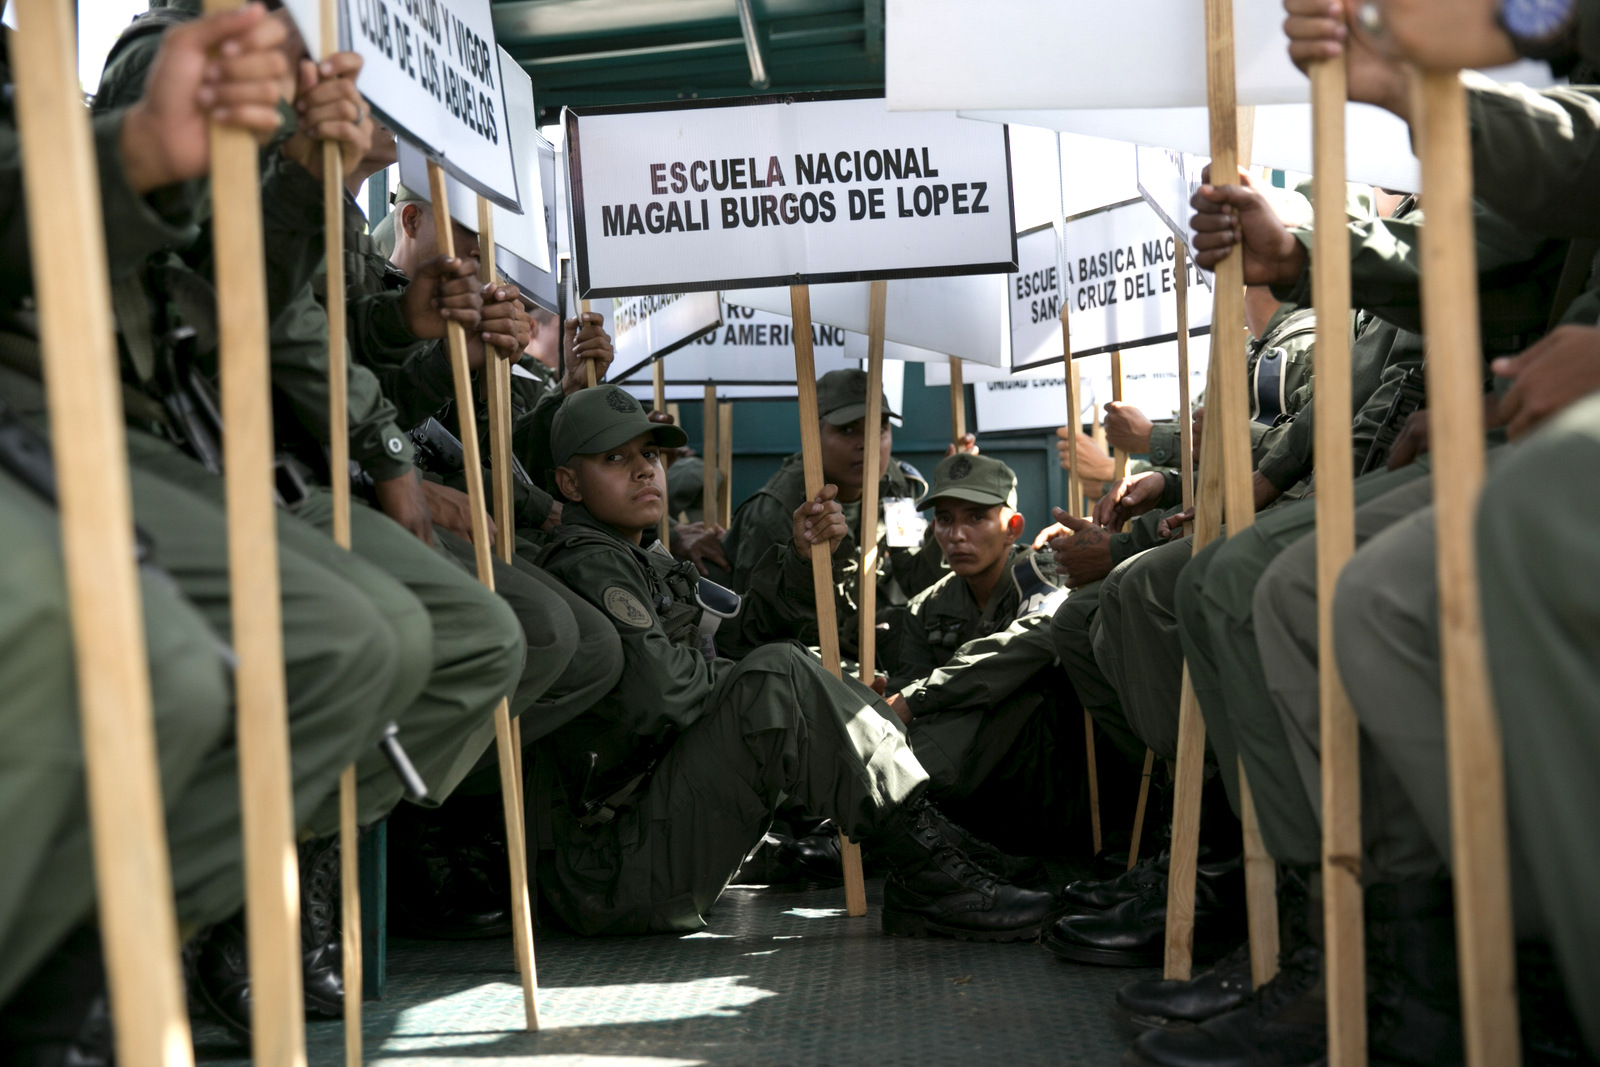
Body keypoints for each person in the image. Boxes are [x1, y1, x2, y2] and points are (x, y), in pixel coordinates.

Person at [523, 384, 1055, 941]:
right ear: (568, 483)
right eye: (615, 459)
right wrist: (768, 684)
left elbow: (734, 637)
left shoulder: (641, 561)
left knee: (783, 668)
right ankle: (928, 866)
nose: (643, 472)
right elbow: (668, 691)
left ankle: (929, 850)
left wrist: (801, 562)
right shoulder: (589, 566)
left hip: (643, 841)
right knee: (778, 674)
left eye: (650, 455)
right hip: (608, 870)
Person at [718, 368, 946, 669]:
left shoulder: (893, 483)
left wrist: (949, 511)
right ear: (812, 434)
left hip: (863, 635)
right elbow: (750, 631)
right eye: (848, 430)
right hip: (798, 652)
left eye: (879, 427)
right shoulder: (776, 511)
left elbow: (913, 573)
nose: (867, 443)